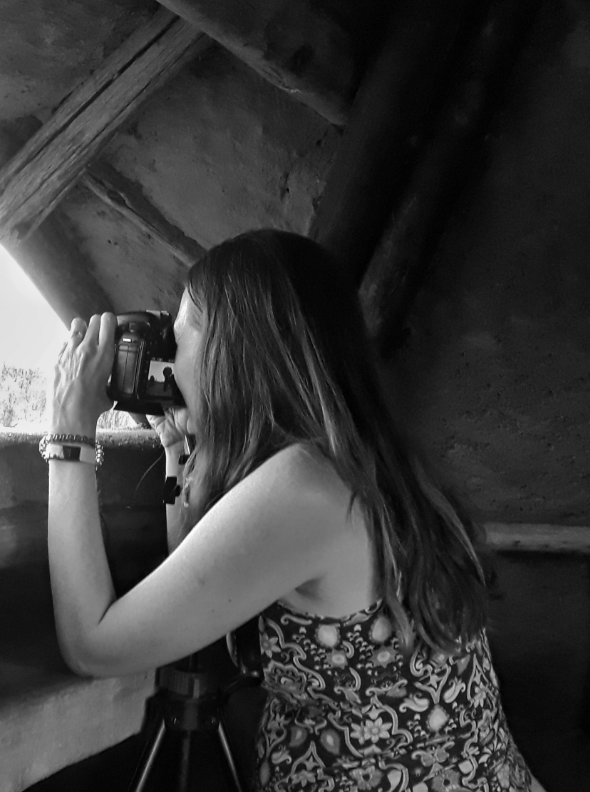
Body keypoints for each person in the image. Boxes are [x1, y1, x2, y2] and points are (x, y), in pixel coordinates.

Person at [44, 229, 543, 791]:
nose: (168, 363)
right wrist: (178, 448)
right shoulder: (350, 463)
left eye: (180, 342)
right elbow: (196, 582)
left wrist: (68, 433)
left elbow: (93, 646)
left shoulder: (304, 489)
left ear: (232, 354)